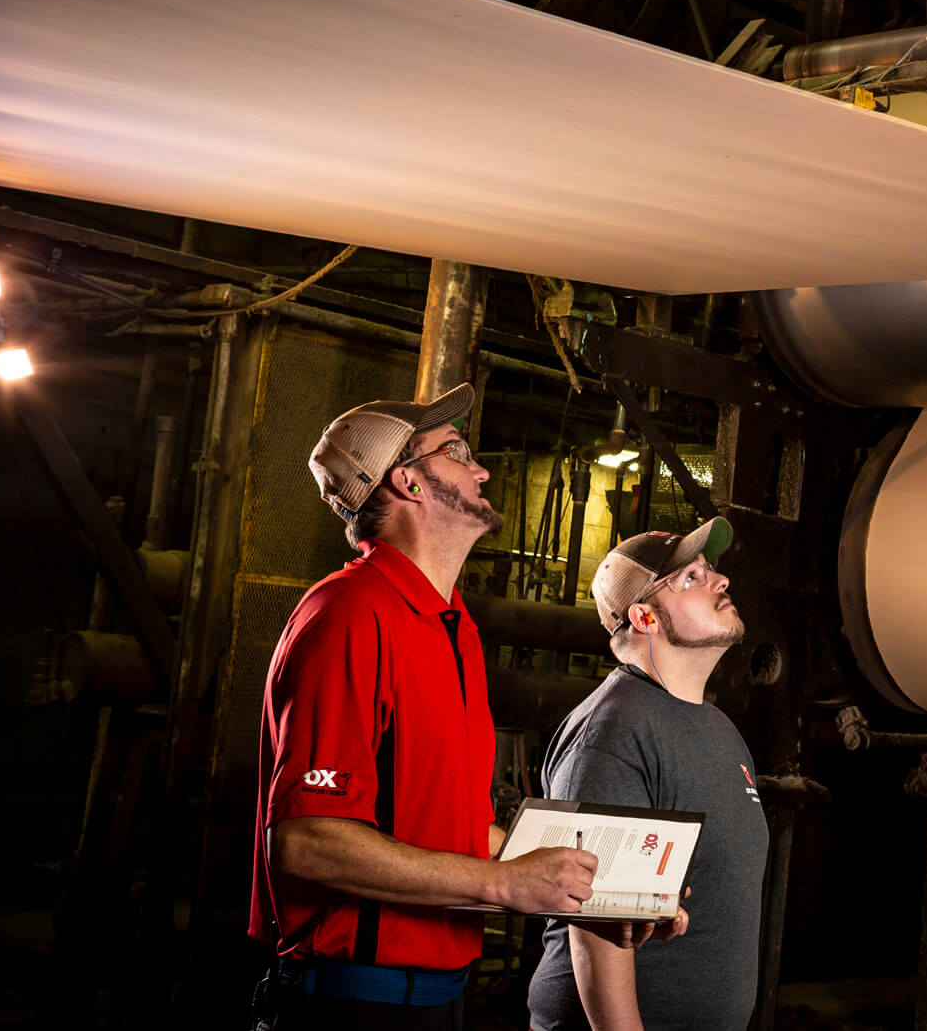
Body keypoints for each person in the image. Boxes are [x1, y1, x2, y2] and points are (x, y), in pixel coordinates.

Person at [251, 382, 666, 1027]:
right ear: (408, 484)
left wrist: (603, 895)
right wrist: (503, 885)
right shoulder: (350, 616)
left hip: (442, 996)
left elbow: (457, 830)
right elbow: (307, 843)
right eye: (455, 451)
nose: (480, 468)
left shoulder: (453, 625)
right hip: (351, 1001)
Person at [528, 519, 770, 1031]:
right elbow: (594, 920)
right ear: (644, 617)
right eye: (689, 578)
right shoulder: (615, 730)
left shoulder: (718, 728)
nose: (719, 582)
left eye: (710, 570)